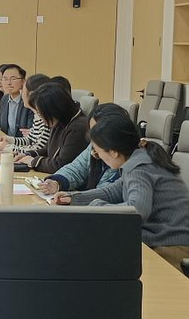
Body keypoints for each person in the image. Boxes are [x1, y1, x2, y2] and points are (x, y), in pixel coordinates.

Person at [53, 113, 189, 272]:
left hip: (171, 246)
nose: (96, 155)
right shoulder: (140, 158)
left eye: (97, 151)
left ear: (113, 152)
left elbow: (138, 209)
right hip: (161, 238)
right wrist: (74, 198)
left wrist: (97, 206)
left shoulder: (139, 168)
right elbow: (113, 191)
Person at [38, 103, 126, 194]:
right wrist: (57, 182)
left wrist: (76, 198)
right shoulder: (94, 146)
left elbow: (107, 195)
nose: (93, 136)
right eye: (92, 131)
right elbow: (77, 168)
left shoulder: (126, 164)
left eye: (97, 131)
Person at [15, 83, 88, 173]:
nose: (42, 119)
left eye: (42, 114)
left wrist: (32, 161)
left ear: (55, 110)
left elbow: (61, 165)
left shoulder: (78, 128)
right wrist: (28, 155)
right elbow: (48, 150)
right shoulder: (60, 120)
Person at [0, 73, 51, 154]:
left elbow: (38, 149)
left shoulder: (46, 118)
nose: (21, 94)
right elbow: (29, 140)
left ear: (31, 94)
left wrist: (9, 148)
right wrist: (8, 139)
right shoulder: (37, 115)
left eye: (23, 91)